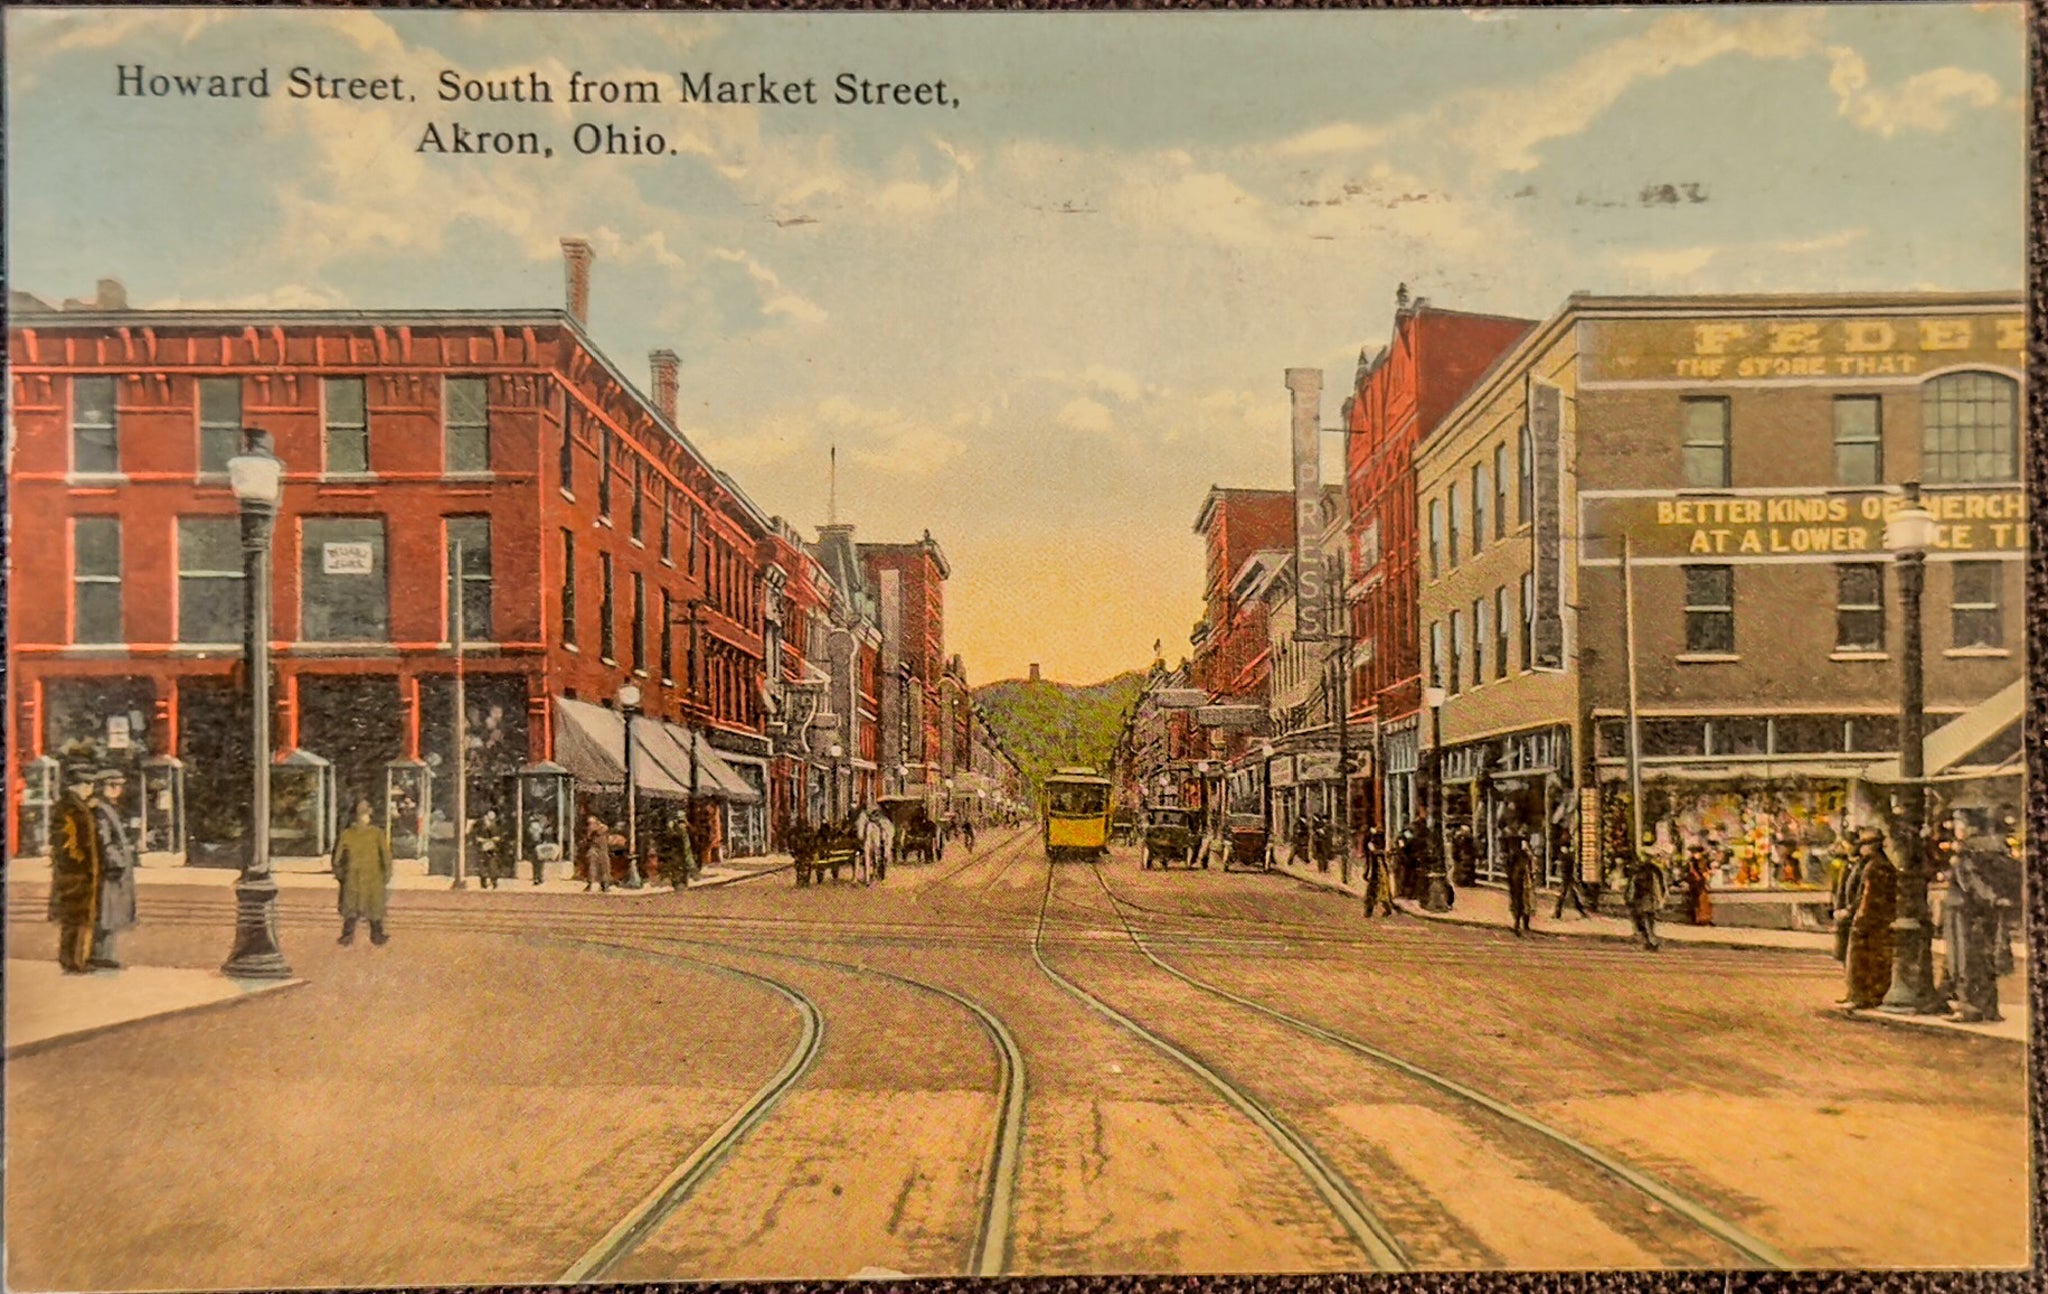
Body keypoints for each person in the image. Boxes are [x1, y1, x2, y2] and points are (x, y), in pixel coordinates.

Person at [1946, 822, 2012, 1023]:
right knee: (1983, 960)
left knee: (1963, 960)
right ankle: (1988, 1008)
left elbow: (1973, 884)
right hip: (1978, 913)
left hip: (1965, 914)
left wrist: (1992, 898)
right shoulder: (1989, 862)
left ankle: (1969, 1009)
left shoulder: (1965, 862)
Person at [47, 762, 102, 974]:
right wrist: (80, 864)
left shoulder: (76, 805)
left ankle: (73, 959)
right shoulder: (71, 808)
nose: (91, 789)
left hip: (80, 873)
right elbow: (67, 843)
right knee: (77, 919)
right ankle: (76, 961)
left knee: (76, 919)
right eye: (89, 784)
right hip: (77, 874)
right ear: (80, 784)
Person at [87, 769, 140, 970]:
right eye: (112, 785)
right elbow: (104, 841)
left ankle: (105, 954)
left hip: (112, 870)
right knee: (106, 912)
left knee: (110, 912)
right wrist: (117, 862)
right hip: (109, 872)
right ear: (102, 787)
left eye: (119, 785)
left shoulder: (107, 808)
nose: (117, 789)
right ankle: (101, 955)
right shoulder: (100, 810)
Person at [1842, 828, 1896, 1009]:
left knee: (1867, 960)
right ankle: (1858, 995)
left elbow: (1868, 895)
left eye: (1864, 845)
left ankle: (1864, 996)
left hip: (1871, 921)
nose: (1861, 849)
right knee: (1864, 959)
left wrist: (1857, 916)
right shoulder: (1869, 864)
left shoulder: (1875, 866)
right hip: (1870, 919)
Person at [331, 798, 393, 946]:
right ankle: (376, 936)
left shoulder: (346, 834)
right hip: (374, 878)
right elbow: (386, 857)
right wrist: (386, 875)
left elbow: (336, 860)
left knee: (351, 911)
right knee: (374, 910)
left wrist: (342, 877)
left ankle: (347, 937)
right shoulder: (377, 834)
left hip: (352, 878)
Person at [1625, 841, 1668, 951]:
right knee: (1642, 921)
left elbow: (1658, 886)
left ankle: (1651, 941)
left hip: (1646, 898)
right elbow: (1632, 885)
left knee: (1646, 921)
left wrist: (1661, 899)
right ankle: (1648, 941)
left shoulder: (1652, 870)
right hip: (1640, 899)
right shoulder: (1640, 869)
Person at [1830, 836, 1865, 966]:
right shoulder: (1846, 866)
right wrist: (1838, 909)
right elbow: (1839, 890)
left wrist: (1849, 909)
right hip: (1845, 912)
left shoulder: (1861, 866)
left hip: (1855, 912)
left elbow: (1860, 891)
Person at [1503, 825, 1536, 937]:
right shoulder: (1523, 854)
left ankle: (1518, 922)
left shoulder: (1516, 853)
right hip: (1522, 880)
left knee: (1519, 900)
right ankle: (1522, 923)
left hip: (1519, 880)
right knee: (1523, 900)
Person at [470, 809, 508, 889]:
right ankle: (483, 882)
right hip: (482, 847)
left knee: (493, 864)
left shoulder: (496, 825)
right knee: (483, 865)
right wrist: (480, 840)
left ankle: (494, 882)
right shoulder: (479, 825)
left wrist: (497, 839)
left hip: (493, 847)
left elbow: (500, 835)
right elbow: (474, 835)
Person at [1682, 842, 1714, 926]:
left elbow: (1707, 869)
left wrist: (1707, 873)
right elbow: (1690, 872)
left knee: (1703, 900)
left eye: (1697, 852)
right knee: (1696, 901)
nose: (1695, 854)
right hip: (1694, 883)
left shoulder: (1703, 860)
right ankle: (1698, 918)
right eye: (1694, 852)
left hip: (1702, 883)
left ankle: (1705, 918)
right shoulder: (1691, 862)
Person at [580, 813, 613, 893]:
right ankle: (591, 883)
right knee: (592, 866)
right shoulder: (590, 830)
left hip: (602, 850)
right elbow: (587, 840)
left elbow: (602, 831)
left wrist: (593, 830)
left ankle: (605, 885)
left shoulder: (603, 828)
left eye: (592, 823)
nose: (590, 825)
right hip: (594, 849)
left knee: (604, 867)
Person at [859, 803, 891, 886]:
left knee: (873, 861)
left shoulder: (879, 825)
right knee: (871, 861)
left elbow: (863, 835)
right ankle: (868, 879)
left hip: (873, 845)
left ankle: (871, 878)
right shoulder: (872, 825)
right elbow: (864, 835)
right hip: (871, 845)